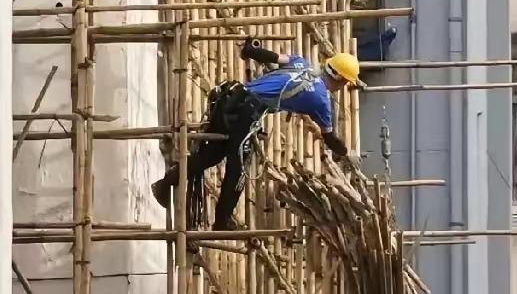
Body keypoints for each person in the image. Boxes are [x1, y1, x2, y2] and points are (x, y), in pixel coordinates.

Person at [151, 40, 362, 229]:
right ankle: (222, 223)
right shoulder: (320, 101)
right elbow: (329, 138)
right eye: (344, 83)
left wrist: (250, 50)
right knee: (238, 169)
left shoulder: (302, 63)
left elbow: (269, 56)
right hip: (246, 112)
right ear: (339, 78)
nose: (342, 87)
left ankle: (165, 183)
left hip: (230, 98)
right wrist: (346, 153)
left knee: (212, 156)